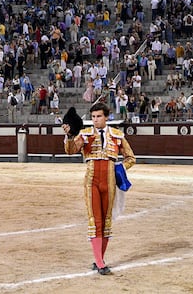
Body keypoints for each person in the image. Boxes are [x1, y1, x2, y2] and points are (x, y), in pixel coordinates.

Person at [62, 102, 136, 275]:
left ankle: (99, 259)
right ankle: (100, 263)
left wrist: (119, 168)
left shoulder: (117, 135)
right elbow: (71, 150)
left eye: (99, 116)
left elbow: (131, 158)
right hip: (92, 179)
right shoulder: (85, 134)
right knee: (95, 220)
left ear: (106, 117)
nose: (95, 120)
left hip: (109, 180)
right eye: (93, 117)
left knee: (106, 221)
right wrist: (69, 136)